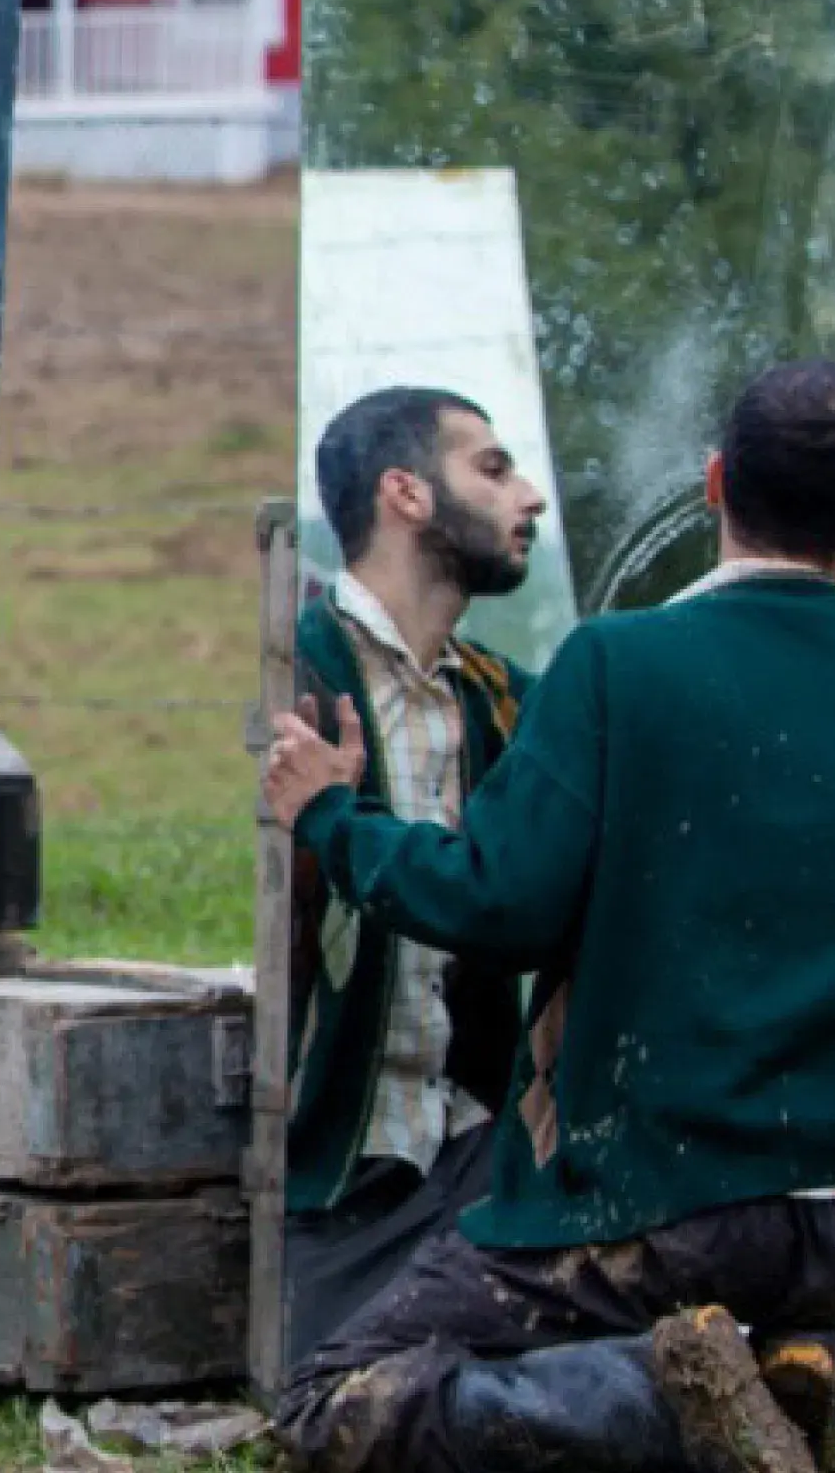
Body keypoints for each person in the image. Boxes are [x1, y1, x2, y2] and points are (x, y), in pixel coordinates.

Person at [263, 361, 835, 1473]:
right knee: (765, 1253)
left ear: (714, 483)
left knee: (328, 1394)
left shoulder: (617, 663)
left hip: (679, 1205)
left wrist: (333, 819)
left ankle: (667, 1397)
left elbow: (498, 902)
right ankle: (802, 1341)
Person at [281, 388, 546, 1368]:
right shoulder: (293, 670)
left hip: (475, 1153)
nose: (528, 496)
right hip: (329, 1170)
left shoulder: (501, 697)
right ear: (406, 493)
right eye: (493, 468)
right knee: (338, 1381)